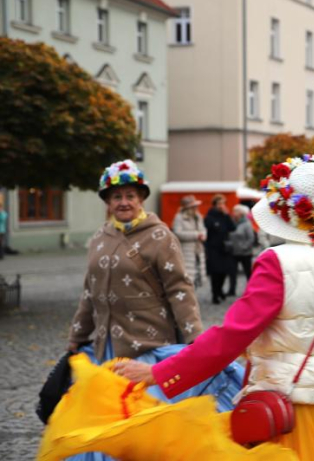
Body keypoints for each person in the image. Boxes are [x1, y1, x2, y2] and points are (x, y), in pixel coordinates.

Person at [40, 155, 314, 461]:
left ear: (285, 213)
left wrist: (159, 372)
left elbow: (232, 335)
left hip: (301, 409)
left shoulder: (276, 262)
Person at [59, 160, 242, 461]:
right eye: (116, 196)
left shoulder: (160, 236)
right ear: (107, 201)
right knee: (108, 431)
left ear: (141, 198)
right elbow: (89, 293)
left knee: (145, 435)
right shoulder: (99, 239)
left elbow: (180, 290)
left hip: (148, 348)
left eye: (130, 195)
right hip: (107, 354)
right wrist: (77, 336)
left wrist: (196, 341)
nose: (124, 202)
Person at [204, 194, 236, 304]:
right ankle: (215, 294)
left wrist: (227, 215)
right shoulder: (209, 217)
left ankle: (220, 290)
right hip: (213, 249)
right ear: (215, 205)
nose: (222, 206)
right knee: (215, 273)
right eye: (220, 204)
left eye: (223, 203)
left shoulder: (224, 216)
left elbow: (232, 228)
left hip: (225, 249)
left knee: (224, 272)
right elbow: (208, 232)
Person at [171, 195, 207, 289]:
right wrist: (196, 235)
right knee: (187, 278)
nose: (196, 208)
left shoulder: (198, 217)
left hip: (198, 250)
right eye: (194, 206)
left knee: (197, 277)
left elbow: (203, 229)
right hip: (186, 251)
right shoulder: (179, 217)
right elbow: (177, 233)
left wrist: (203, 235)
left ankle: (194, 298)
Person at [226, 204, 255, 297]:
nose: (233, 213)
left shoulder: (247, 224)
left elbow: (251, 238)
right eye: (233, 211)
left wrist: (244, 247)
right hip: (233, 252)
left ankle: (252, 290)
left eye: (235, 211)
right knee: (232, 272)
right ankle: (232, 290)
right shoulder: (231, 223)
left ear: (241, 213)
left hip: (245, 253)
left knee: (248, 273)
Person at [0, 195, 6, 260]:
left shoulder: (3, 213)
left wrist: (1, 213)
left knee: (0, 243)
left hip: (1, 230)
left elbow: (2, 219)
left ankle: (1, 255)